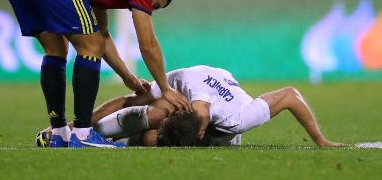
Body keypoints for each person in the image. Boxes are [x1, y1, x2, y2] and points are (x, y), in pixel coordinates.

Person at [1, 0, 190, 148]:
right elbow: (147, 44)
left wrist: (127, 76)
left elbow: (102, 34)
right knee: (90, 46)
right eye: (154, 6)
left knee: (55, 48)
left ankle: (59, 133)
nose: (148, 9)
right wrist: (166, 89)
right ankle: (82, 134)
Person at [37, 65, 344, 147]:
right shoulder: (181, 81)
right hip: (205, 86)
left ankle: (121, 141)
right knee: (153, 110)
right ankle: (82, 136)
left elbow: (290, 94)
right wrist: (76, 126)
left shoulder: (239, 119)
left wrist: (321, 141)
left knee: (148, 138)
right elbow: (130, 99)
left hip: (223, 138)